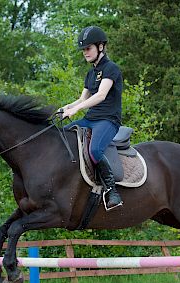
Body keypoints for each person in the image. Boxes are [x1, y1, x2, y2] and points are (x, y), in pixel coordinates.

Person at [60, 26, 124, 211]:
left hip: (107, 120)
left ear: (101, 47)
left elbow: (101, 95)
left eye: (88, 48)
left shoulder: (111, 69)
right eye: (83, 50)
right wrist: (67, 107)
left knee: (95, 150)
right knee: (63, 135)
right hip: (90, 119)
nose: (85, 53)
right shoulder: (91, 73)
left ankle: (112, 191)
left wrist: (77, 109)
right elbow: (83, 98)